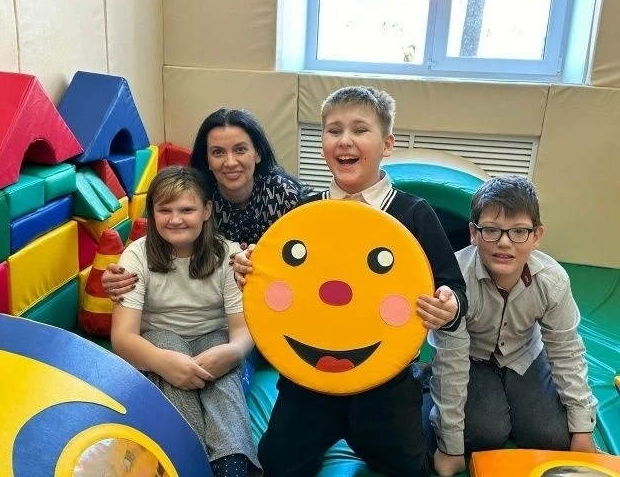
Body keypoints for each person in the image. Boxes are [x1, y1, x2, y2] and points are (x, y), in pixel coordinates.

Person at [232, 85, 468, 477]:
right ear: (323, 143)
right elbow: (275, 282)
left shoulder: (414, 213)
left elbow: (455, 288)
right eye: (333, 130)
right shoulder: (305, 213)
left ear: (387, 144)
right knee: (276, 464)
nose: (345, 140)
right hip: (308, 380)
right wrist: (249, 271)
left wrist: (449, 305)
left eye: (360, 130)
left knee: (411, 470)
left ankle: (422, 393)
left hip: (386, 385)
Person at [427, 175, 598, 477]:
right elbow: (452, 360)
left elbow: (566, 351)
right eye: (491, 230)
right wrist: (450, 446)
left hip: (525, 355)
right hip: (471, 358)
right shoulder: (455, 281)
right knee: (482, 434)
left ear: (536, 236)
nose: (504, 242)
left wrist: (583, 429)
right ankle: (424, 383)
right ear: (473, 233)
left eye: (519, 231)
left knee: (553, 436)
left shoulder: (552, 281)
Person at [109, 165, 261, 477]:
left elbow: (241, 331)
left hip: (214, 338)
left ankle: (231, 465)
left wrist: (231, 353)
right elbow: (123, 337)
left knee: (222, 373)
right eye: (165, 210)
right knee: (166, 344)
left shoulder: (229, 256)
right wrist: (163, 362)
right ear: (152, 213)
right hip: (158, 341)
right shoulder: (136, 257)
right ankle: (188, 458)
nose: (175, 219)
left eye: (187, 210)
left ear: (206, 211)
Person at [102, 107, 305, 298]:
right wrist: (122, 273)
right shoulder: (196, 193)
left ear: (257, 154)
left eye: (240, 150)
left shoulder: (283, 195)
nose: (230, 162)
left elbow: (303, 258)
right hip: (210, 298)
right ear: (207, 159)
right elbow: (158, 238)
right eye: (218, 152)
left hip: (276, 293)